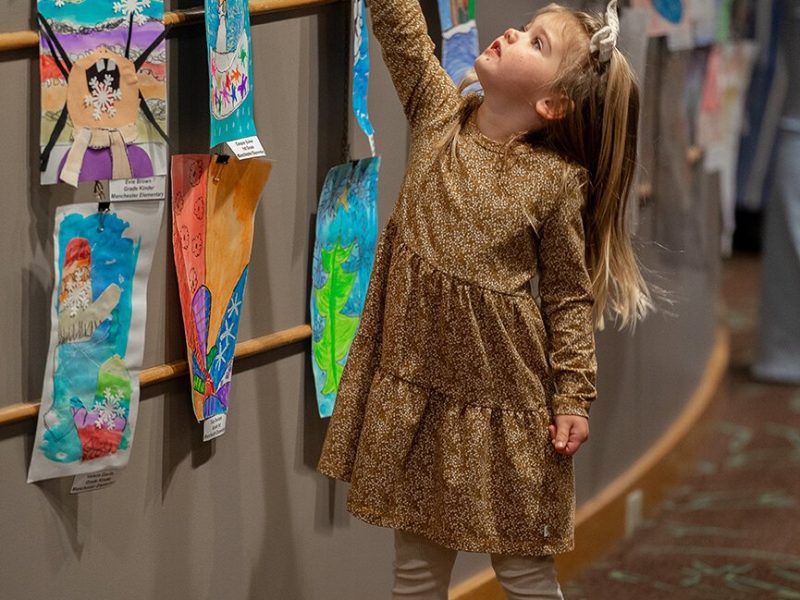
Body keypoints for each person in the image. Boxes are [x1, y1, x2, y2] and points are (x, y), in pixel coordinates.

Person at [317, 0, 652, 598]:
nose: (513, 33)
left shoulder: (554, 182)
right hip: (419, 394)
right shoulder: (438, 114)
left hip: (508, 406)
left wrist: (573, 394)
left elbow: (568, 299)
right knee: (416, 573)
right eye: (526, 27)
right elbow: (401, 29)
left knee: (523, 571)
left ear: (552, 105)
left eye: (536, 43)